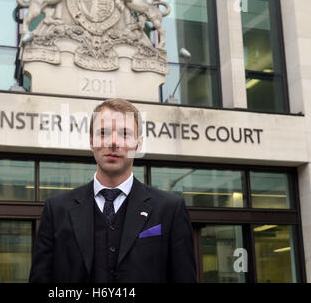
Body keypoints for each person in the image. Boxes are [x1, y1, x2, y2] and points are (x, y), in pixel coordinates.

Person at [29, 98, 196, 283]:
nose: (113, 142)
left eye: (125, 134)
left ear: (138, 144)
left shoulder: (170, 209)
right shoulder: (57, 209)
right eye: (103, 133)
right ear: (91, 141)